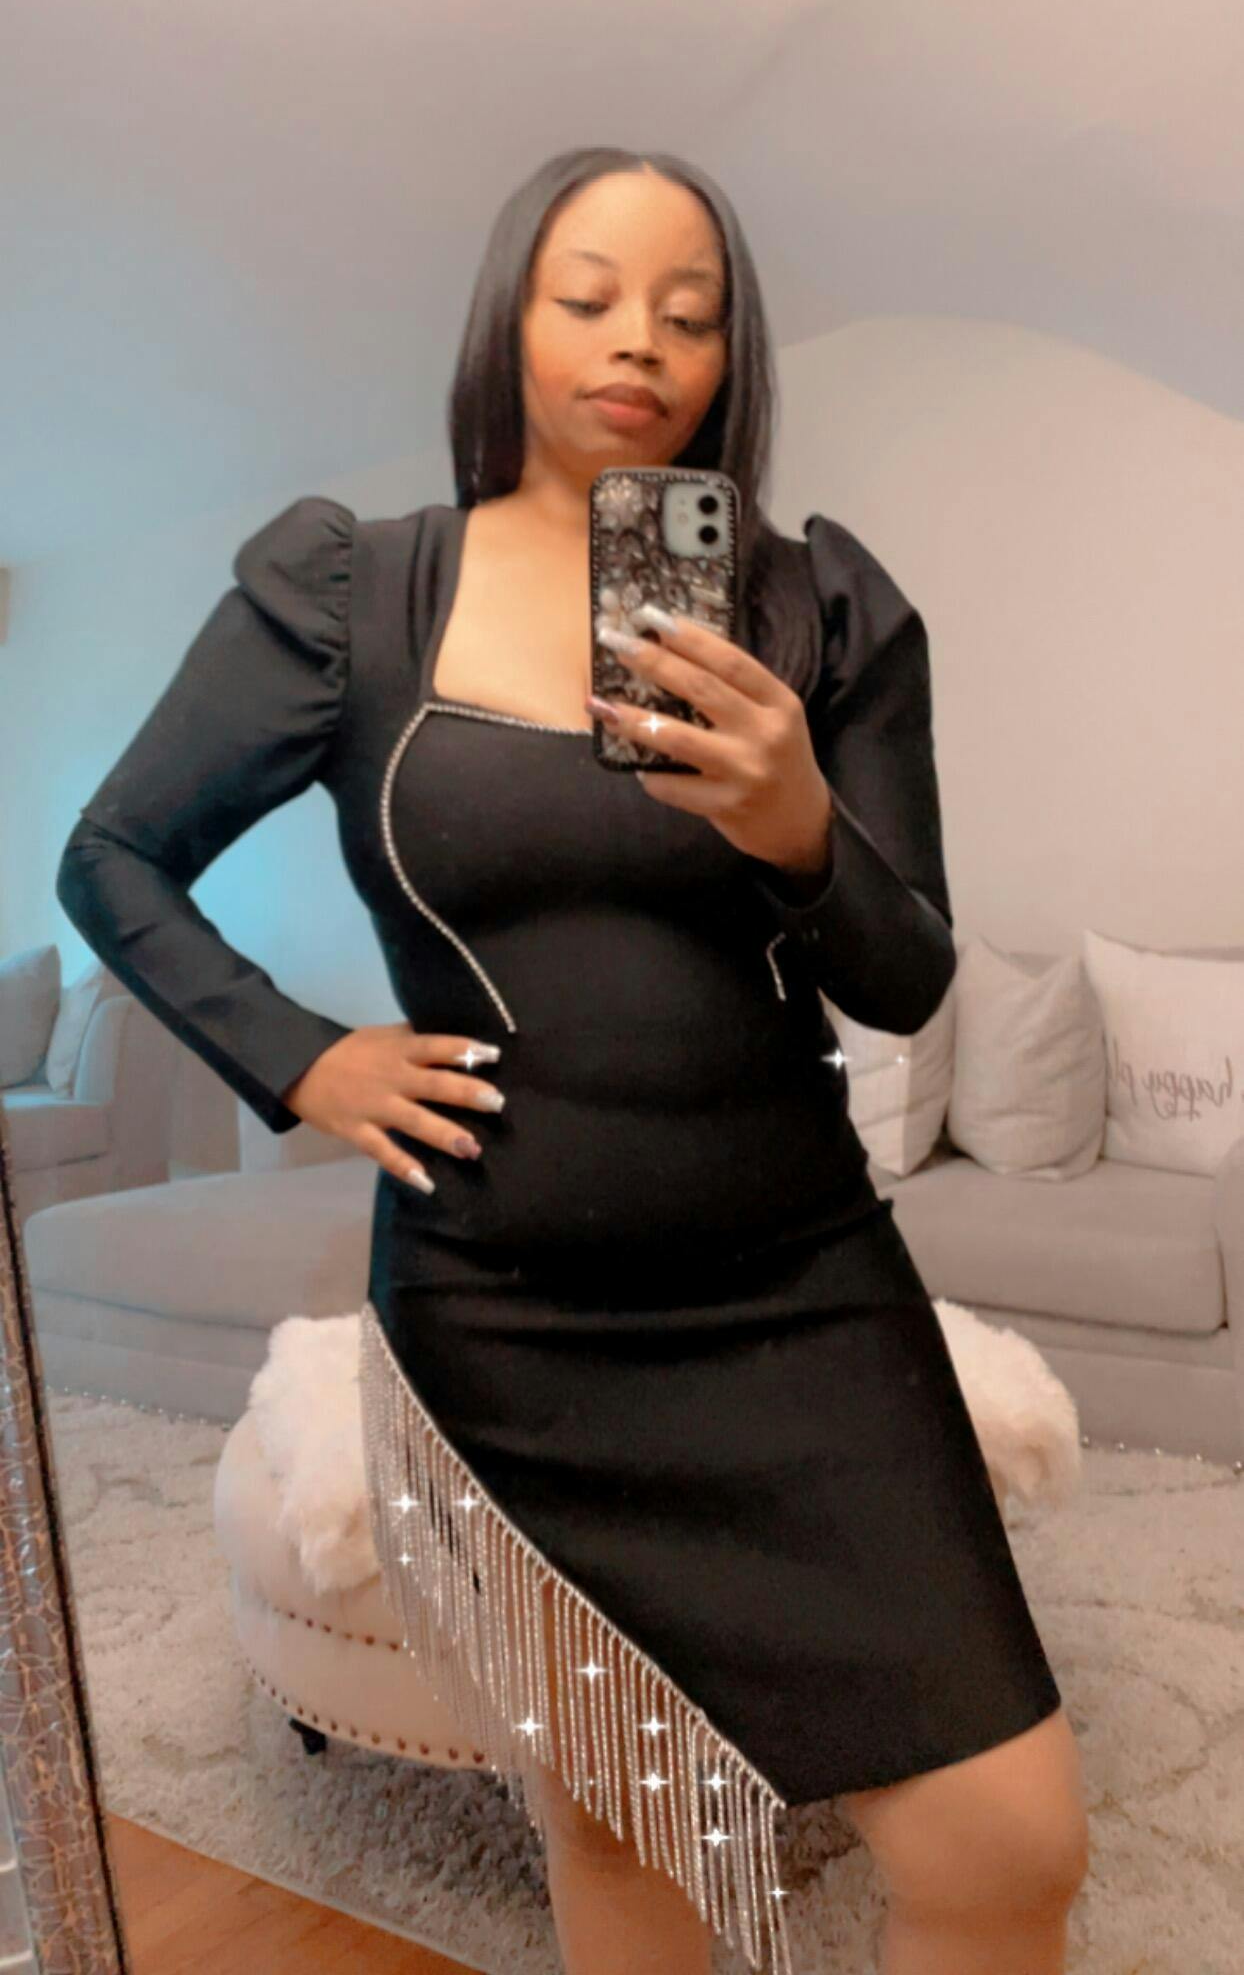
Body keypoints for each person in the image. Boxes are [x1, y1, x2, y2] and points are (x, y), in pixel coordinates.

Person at [56, 149, 1090, 1975]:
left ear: (731, 354)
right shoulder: (354, 593)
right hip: (506, 1320)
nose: (640, 345)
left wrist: (796, 821)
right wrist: (301, 1057)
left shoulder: (820, 608)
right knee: (624, 1833)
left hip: (805, 1296)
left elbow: (907, 980)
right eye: (588, 296)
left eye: (690, 315)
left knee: (1009, 1845)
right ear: (507, 319)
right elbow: (114, 857)